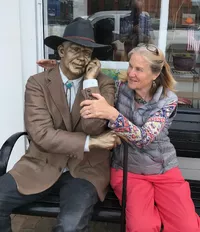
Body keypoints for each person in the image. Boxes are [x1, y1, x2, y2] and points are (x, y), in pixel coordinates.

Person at [0, 18, 121, 232]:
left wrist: (90, 82)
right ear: (61, 51)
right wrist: (92, 142)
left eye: (87, 52)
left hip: (86, 168)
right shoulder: (37, 83)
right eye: (76, 50)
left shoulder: (103, 84)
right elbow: (41, 134)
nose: (82, 57)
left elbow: (94, 126)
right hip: (42, 163)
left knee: (69, 226)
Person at [80, 43, 200, 232]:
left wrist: (113, 115)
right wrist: (64, 70)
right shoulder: (120, 88)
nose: (131, 73)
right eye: (130, 66)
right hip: (128, 169)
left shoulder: (168, 100)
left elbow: (144, 138)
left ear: (155, 74)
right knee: (142, 227)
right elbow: (95, 100)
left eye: (139, 69)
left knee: (187, 226)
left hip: (163, 170)